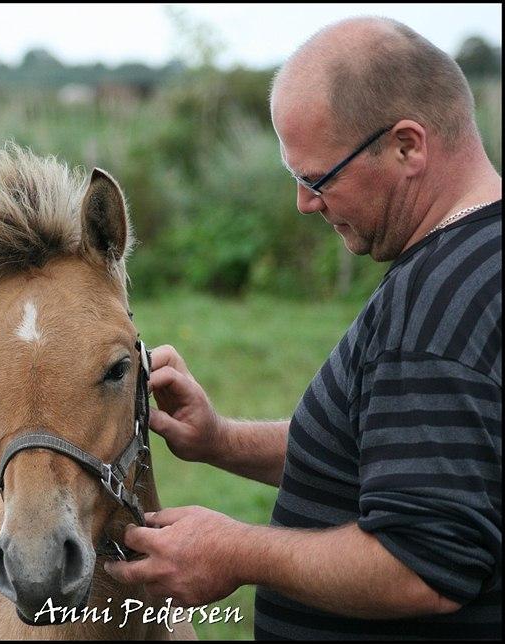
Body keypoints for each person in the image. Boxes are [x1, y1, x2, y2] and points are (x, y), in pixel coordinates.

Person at [104, 16, 502, 640]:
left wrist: (235, 551)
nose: (304, 204)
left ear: (407, 146)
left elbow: (422, 567)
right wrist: (221, 441)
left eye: (317, 179)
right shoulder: (482, 259)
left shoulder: (434, 307)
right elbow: (400, 453)